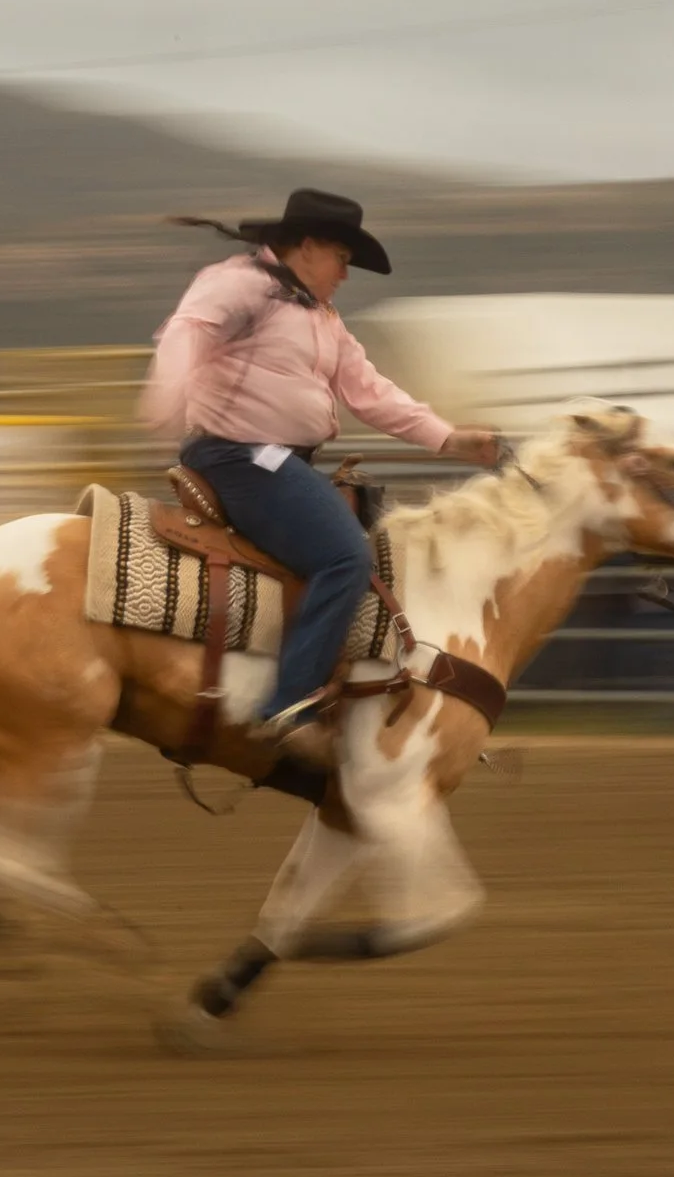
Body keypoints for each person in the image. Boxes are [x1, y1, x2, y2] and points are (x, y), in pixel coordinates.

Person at [140, 188, 501, 763]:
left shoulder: (321, 316)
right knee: (345, 557)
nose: (346, 274)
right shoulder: (238, 283)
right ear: (307, 247)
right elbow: (187, 332)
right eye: (341, 257)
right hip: (240, 455)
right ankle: (290, 704)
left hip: (277, 462)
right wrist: (165, 400)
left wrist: (447, 437)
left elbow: (368, 390)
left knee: (379, 551)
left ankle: (372, 695)